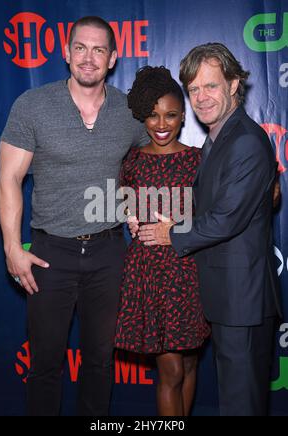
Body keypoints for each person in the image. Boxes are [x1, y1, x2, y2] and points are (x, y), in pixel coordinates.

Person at [0, 16, 148, 416]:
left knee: (100, 363)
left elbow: (153, 164)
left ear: (113, 58)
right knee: (45, 366)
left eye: (99, 50)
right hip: (50, 255)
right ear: (66, 53)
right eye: (80, 47)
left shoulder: (130, 111)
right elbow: (8, 179)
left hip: (110, 254)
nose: (88, 58)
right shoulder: (32, 105)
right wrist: (12, 247)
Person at [131, 44, 282, 416]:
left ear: (234, 84)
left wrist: (171, 234)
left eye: (211, 86)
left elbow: (227, 218)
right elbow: (213, 203)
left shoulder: (244, 140)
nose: (201, 97)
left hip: (241, 298)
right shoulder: (219, 138)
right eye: (194, 89)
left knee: (240, 403)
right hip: (225, 295)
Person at [114, 66, 210, 416]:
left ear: (184, 115)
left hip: (190, 273)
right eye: (152, 115)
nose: (161, 123)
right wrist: (128, 211)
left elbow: (215, 214)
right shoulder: (133, 160)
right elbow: (121, 196)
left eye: (170, 114)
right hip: (150, 274)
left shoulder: (199, 160)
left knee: (189, 366)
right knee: (169, 370)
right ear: (143, 116)